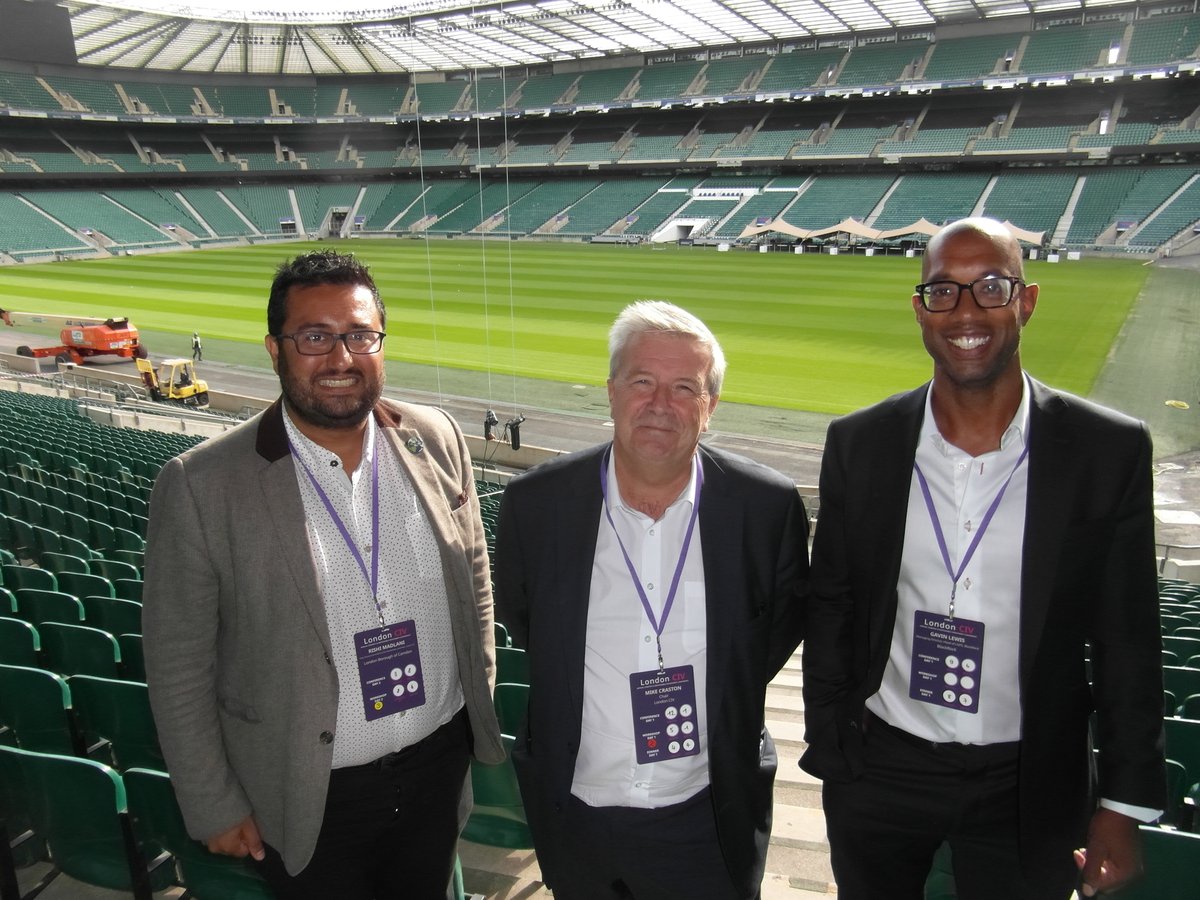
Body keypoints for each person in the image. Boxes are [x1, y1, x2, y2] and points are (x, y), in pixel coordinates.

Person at [801, 218, 1166, 899]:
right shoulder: (861, 443)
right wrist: (833, 742)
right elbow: (833, 605)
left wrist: (1123, 803)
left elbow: (1128, 640)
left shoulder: (1106, 450)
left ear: (1026, 302)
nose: (966, 313)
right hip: (882, 768)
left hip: (1029, 777)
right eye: (944, 292)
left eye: (990, 288)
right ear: (920, 310)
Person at [143, 250, 504, 900]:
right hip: (307, 791)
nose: (341, 358)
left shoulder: (438, 437)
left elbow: (475, 578)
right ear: (275, 349)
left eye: (359, 334)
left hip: (436, 770)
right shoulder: (201, 485)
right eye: (314, 337)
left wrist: (477, 703)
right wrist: (211, 801)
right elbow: (177, 664)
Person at [494, 300, 809, 900]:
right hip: (576, 814)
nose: (660, 404)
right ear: (611, 391)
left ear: (710, 408)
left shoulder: (765, 508)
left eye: (685, 387)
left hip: (707, 816)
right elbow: (524, 619)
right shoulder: (537, 505)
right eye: (642, 381)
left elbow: (772, 634)